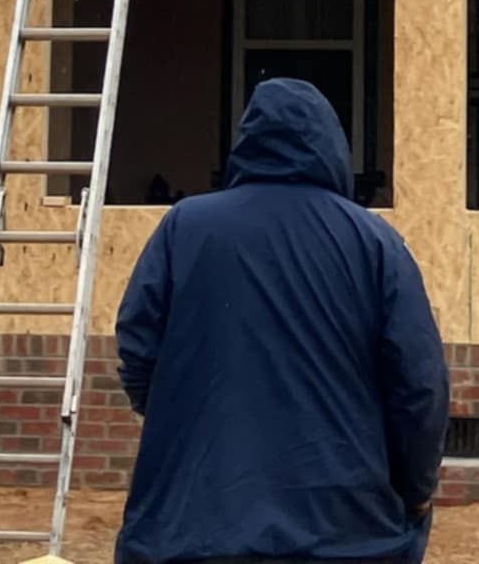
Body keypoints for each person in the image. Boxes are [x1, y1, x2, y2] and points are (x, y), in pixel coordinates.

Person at [115, 78, 448, 564]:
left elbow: (137, 347)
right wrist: (416, 487)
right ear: (332, 146)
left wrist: (183, 417)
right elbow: (420, 384)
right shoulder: (375, 244)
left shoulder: (184, 228)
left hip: (190, 531)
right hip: (345, 533)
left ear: (247, 144)